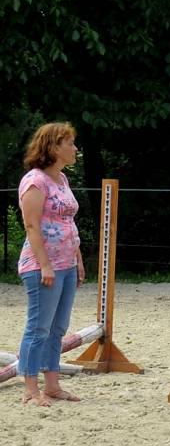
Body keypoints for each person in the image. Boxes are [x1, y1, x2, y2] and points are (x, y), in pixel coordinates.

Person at [16, 122, 85, 406]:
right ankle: (31, 389)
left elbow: (68, 223)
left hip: (67, 263)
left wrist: (78, 259)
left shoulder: (62, 180)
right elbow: (31, 226)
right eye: (69, 143)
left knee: (58, 327)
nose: (74, 148)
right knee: (38, 327)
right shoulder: (35, 181)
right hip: (43, 265)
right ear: (54, 147)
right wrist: (45, 265)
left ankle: (52, 385)